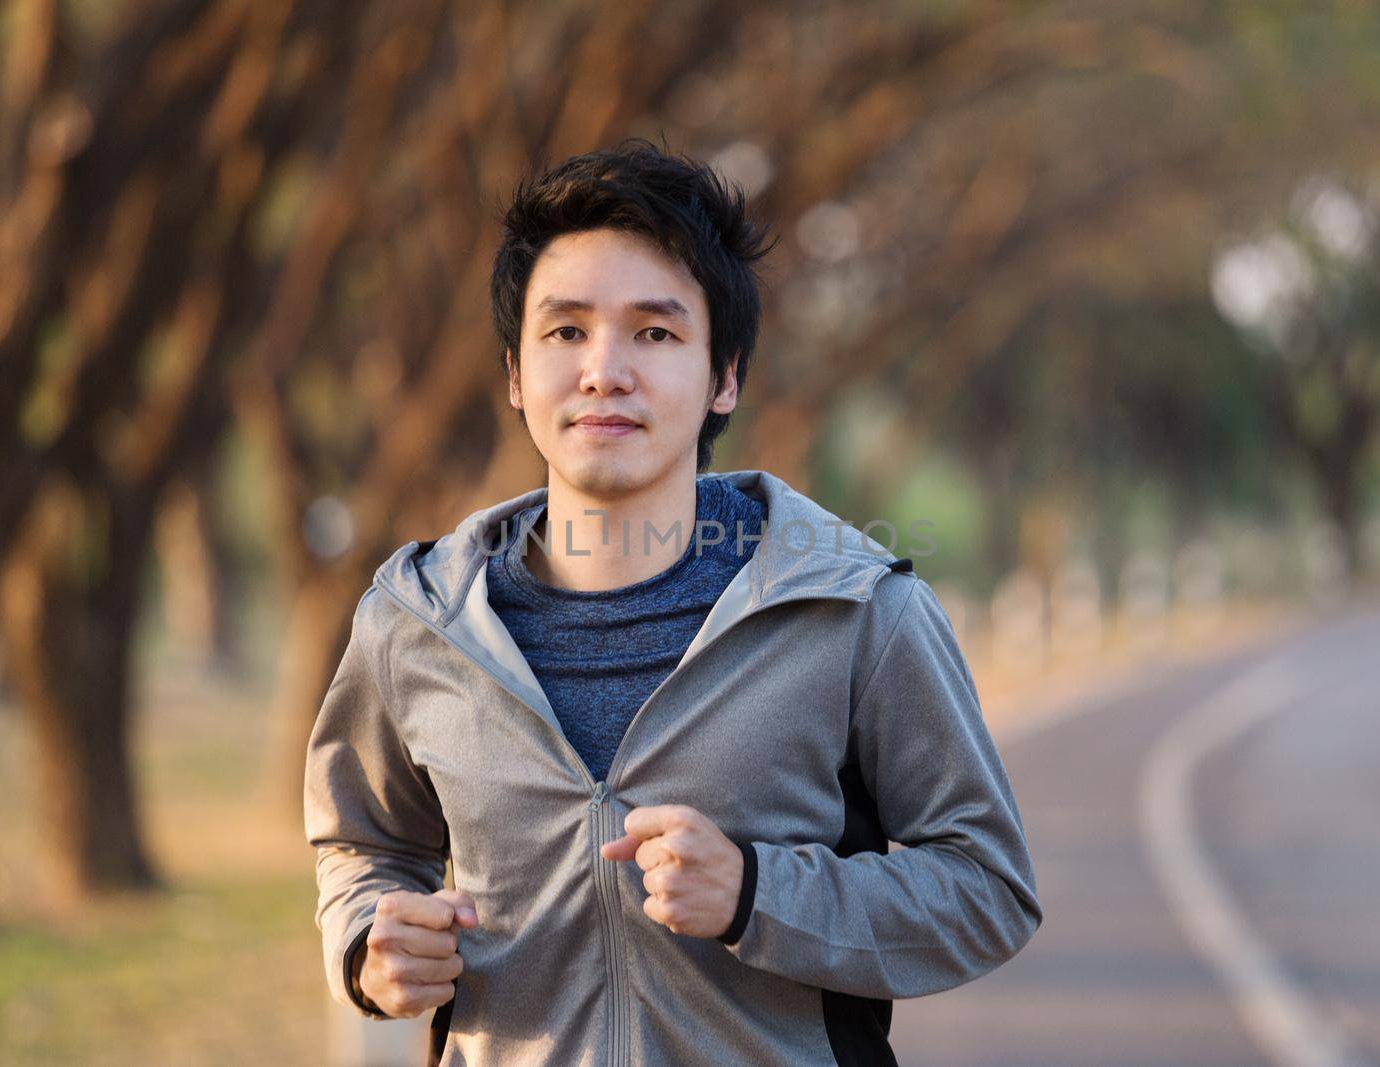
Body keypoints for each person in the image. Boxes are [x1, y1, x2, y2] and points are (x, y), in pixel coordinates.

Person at [303, 138, 1042, 1066]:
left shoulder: (855, 610)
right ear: (515, 374)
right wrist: (370, 942)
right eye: (565, 331)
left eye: (655, 332)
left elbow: (987, 888)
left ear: (723, 375)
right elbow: (362, 842)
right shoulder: (417, 621)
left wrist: (755, 894)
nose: (604, 370)